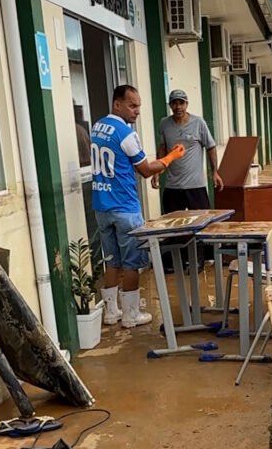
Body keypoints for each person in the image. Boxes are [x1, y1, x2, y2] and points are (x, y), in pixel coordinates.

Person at [93, 85, 186, 327]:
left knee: (112, 260)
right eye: (132, 106)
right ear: (117, 104)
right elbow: (145, 170)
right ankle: (131, 315)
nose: (137, 111)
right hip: (124, 206)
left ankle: (111, 312)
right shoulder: (125, 133)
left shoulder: (97, 127)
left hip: (101, 206)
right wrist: (171, 157)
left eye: (138, 106)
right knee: (132, 262)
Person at [152, 89, 222, 272]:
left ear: (187, 104)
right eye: (174, 103)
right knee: (173, 225)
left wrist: (214, 172)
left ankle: (198, 260)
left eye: (181, 103)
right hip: (173, 185)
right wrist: (157, 172)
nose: (178, 107)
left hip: (195, 185)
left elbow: (211, 147)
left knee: (200, 224)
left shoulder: (198, 123)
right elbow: (163, 148)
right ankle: (176, 262)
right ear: (170, 105)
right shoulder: (164, 124)